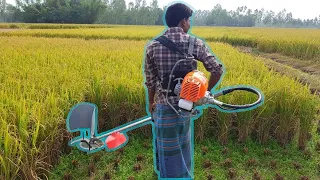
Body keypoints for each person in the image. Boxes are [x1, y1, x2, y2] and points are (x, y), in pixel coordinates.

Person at [143, 2, 224, 179]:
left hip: (164, 107)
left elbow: (150, 81)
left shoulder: (153, 46)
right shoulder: (194, 43)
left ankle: (167, 175)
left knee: (167, 150)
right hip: (186, 105)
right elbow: (216, 69)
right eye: (189, 20)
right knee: (182, 145)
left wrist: (151, 101)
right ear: (183, 21)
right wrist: (204, 93)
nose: (189, 24)